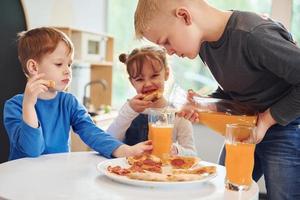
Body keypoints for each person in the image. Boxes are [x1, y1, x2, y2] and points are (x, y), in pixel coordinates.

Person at [133, 1, 300, 199]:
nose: (168, 52)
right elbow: (237, 87)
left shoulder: (253, 35)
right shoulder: (205, 44)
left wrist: (266, 120)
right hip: (246, 127)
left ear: (185, 16)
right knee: (224, 190)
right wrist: (203, 103)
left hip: (285, 125)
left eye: (167, 41)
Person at [3, 27, 152, 161]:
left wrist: (125, 150)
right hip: (24, 181)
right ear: (33, 67)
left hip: (57, 177)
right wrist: (28, 105)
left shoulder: (69, 103)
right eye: (59, 64)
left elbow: (91, 132)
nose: (67, 70)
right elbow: (32, 150)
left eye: (69, 64)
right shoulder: (14, 106)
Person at [107, 46, 196, 156]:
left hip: (163, 171)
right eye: (139, 79)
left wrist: (176, 150)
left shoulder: (178, 113)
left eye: (154, 76)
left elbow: (192, 154)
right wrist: (129, 110)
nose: (148, 84)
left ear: (166, 74)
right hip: (128, 170)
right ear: (132, 82)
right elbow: (109, 141)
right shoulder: (129, 109)